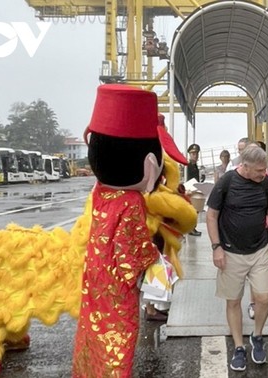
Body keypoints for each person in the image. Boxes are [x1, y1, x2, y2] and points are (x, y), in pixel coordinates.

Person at [72, 84, 187, 377]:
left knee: (91, 335)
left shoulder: (100, 191)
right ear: (150, 164)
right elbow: (131, 252)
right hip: (116, 290)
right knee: (118, 341)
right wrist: (155, 261)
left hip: (94, 278)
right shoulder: (132, 201)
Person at [206, 146, 268, 372]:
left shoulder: (266, 183)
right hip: (230, 252)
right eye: (260, 170)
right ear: (245, 166)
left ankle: (257, 335)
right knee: (233, 301)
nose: (264, 174)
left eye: (266, 169)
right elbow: (211, 215)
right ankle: (239, 347)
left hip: (260, 250)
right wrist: (216, 248)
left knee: (264, 297)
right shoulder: (227, 182)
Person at [186, 143, 203, 237]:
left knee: (195, 210)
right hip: (189, 190)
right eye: (193, 154)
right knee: (192, 210)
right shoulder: (187, 166)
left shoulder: (195, 166)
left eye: (196, 154)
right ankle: (190, 228)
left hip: (195, 189)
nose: (195, 156)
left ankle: (193, 227)